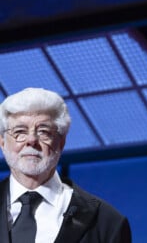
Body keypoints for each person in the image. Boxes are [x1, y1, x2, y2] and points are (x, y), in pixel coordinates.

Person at [0, 87, 131, 243]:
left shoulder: (107, 223)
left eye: (43, 131)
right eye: (20, 131)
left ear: (61, 143)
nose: (31, 140)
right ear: (2, 142)